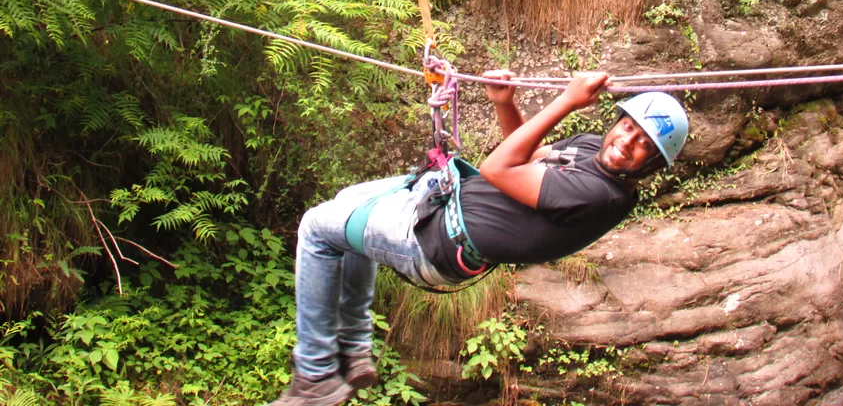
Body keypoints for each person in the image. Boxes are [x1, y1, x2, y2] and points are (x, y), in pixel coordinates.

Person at [270, 70, 689, 406]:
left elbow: (498, 169)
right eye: (628, 127)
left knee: (318, 229)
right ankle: (355, 347)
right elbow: (527, 153)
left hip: (433, 240)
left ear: (651, 164)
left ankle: (317, 375)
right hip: (435, 198)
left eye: (642, 144)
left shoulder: (601, 196)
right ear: (616, 121)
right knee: (343, 206)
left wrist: (565, 101)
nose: (625, 142)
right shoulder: (592, 149)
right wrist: (505, 104)